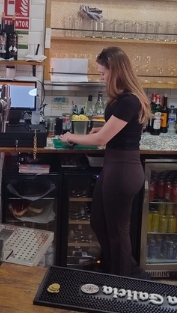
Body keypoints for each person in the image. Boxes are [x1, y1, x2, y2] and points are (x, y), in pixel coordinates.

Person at [59, 46, 150, 278]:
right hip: (114, 167)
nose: (101, 78)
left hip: (123, 171)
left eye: (102, 73)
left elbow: (101, 140)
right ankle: (118, 269)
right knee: (99, 222)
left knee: (118, 231)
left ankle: (123, 279)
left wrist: (71, 137)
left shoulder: (129, 100)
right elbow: (117, 130)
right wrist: (102, 128)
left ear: (116, 71)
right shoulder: (122, 98)